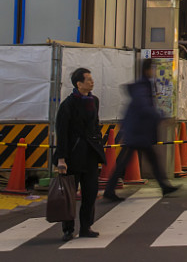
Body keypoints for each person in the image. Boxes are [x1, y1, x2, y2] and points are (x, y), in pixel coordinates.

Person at [103, 59, 178, 201]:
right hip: (138, 131)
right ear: (147, 70)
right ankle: (109, 190)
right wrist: (161, 117)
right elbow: (144, 107)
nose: (155, 72)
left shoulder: (143, 85)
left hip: (137, 130)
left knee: (149, 159)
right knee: (127, 161)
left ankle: (164, 186)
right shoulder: (143, 87)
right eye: (153, 69)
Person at [54, 67, 107, 241]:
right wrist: (61, 159)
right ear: (79, 84)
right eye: (88, 80)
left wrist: (98, 141)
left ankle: (86, 227)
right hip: (72, 155)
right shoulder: (68, 105)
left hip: (90, 155)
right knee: (70, 194)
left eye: (92, 79)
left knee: (90, 193)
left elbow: (95, 125)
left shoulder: (94, 101)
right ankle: (68, 230)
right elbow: (62, 133)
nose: (92, 82)